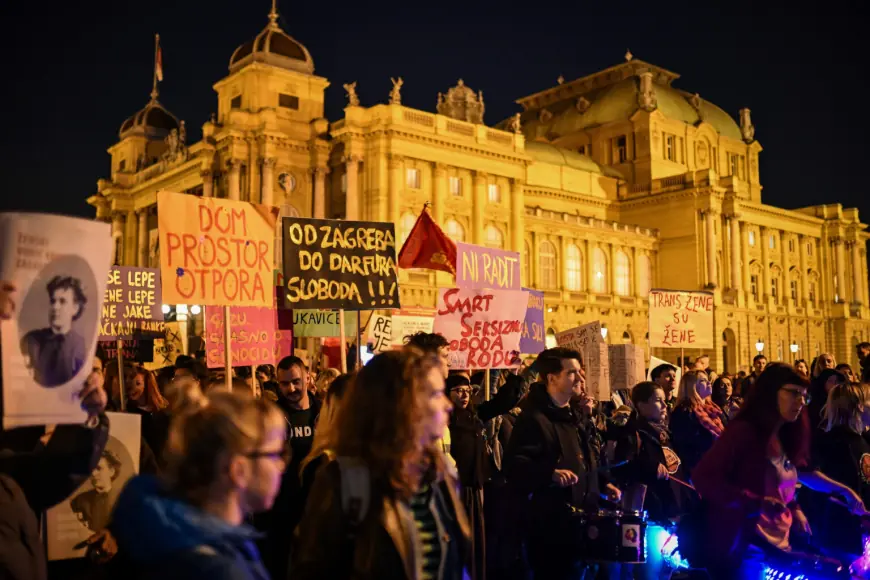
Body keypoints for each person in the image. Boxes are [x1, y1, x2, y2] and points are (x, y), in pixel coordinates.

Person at [291, 348, 469, 580]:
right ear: (402, 403)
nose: (448, 405)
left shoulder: (439, 474)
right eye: (435, 394)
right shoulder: (345, 481)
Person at [692, 364, 859, 578]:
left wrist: (794, 507)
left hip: (779, 542)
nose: (800, 402)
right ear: (771, 392)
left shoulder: (784, 435)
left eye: (804, 396)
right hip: (746, 546)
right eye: (794, 393)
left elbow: (780, 485)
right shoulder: (743, 432)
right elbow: (703, 477)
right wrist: (755, 502)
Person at [111, 390, 286, 580]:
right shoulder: (217, 570)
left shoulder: (172, 536)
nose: (281, 464)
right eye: (275, 454)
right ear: (238, 470)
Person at [504, 347, 604, 580]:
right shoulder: (533, 418)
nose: (580, 378)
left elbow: (587, 459)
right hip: (550, 531)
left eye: (580, 372)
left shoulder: (574, 416)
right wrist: (549, 473)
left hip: (580, 528)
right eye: (572, 373)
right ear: (551, 378)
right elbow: (514, 465)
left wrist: (602, 483)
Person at [446, 371, 524, 580]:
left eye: (468, 390)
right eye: (458, 391)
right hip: (456, 488)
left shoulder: (475, 414)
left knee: (476, 540)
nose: (464, 395)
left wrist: (515, 377)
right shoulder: (443, 419)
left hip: (476, 486)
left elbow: (501, 403)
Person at [254, 355, 321, 580]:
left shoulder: (324, 412)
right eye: (284, 383)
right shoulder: (272, 416)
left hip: (317, 507)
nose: (290, 388)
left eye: (295, 381)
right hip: (282, 511)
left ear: (307, 377)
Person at [811, 382, 870, 560]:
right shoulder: (832, 442)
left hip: (862, 533)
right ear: (859, 406)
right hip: (842, 535)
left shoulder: (862, 441)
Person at [20, 275, 88, 387]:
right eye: (53, 301)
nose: (55, 307)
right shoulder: (31, 340)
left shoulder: (80, 346)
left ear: (75, 308)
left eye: (62, 301)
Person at [669, 370, 724, 478]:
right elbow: (687, 443)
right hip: (699, 469)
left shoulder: (711, 410)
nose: (708, 383)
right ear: (692, 386)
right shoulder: (684, 411)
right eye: (703, 380)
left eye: (708, 380)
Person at [70, 448, 123, 534]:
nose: (93, 473)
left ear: (111, 471)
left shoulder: (125, 500)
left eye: (99, 468)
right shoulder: (78, 501)